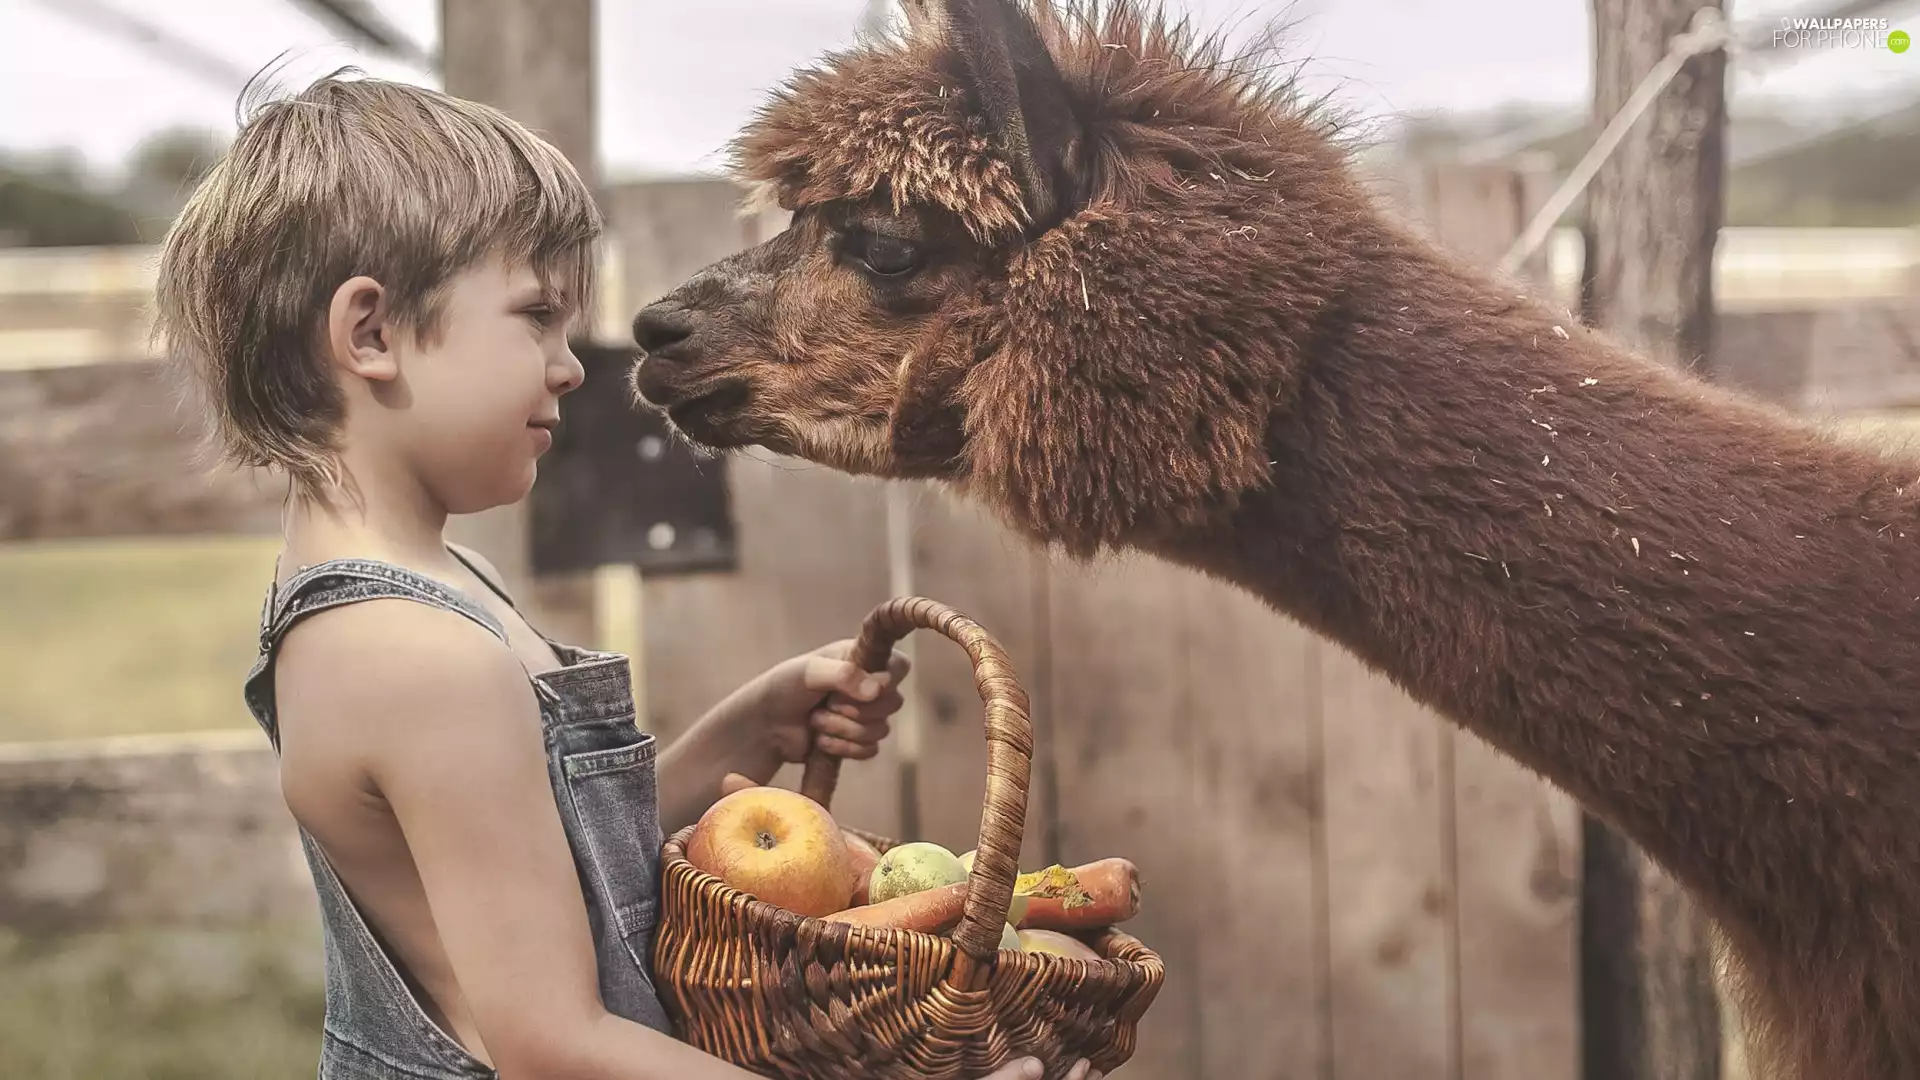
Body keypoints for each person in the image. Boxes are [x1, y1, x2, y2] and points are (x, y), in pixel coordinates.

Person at [151, 70, 1100, 1080]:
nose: (569, 366)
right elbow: (556, 1044)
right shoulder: (413, 654)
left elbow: (563, 864)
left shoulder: (416, 589)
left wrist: (750, 730)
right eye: (536, 318)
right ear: (371, 334)